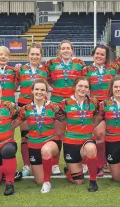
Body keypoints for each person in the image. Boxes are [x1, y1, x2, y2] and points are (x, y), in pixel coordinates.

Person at [11, 78, 64, 193]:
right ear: (32, 91)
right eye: (37, 89)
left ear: (46, 92)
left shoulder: (54, 107)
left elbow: (67, 120)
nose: (39, 92)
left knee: (46, 150)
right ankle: (45, 179)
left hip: (51, 142)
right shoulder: (25, 109)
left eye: (42, 90)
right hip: (34, 145)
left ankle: (47, 183)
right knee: (39, 180)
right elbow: (14, 124)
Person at [44, 40, 86, 174]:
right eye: (63, 48)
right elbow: (45, 77)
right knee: (59, 133)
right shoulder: (51, 63)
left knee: (78, 130)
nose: (66, 50)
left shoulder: (79, 63)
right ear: (59, 50)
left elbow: (83, 81)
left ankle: (81, 162)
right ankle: (55, 165)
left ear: (72, 50)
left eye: (68, 48)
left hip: (74, 101)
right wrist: (51, 88)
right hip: (57, 101)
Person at [59, 77, 101, 192]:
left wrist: (91, 127)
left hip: (86, 140)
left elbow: (99, 115)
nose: (83, 89)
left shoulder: (94, 102)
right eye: (80, 86)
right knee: (78, 181)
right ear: (74, 87)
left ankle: (93, 181)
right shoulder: (65, 103)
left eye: (86, 87)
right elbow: (61, 121)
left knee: (91, 148)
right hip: (70, 142)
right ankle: (69, 171)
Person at [15, 43, 50, 177]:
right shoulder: (20, 69)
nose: (34, 56)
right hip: (24, 106)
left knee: (42, 133)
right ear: (28, 55)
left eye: (37, 54)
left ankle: (43, 160)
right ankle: (26, 165)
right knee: (25, 136)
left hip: (41, 107)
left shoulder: (46, 70)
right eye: (32, 54)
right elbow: (14, 86)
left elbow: (51, 85)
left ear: (41, 56)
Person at [82, 45, 117, 176]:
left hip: (110, 107)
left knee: (109, 134)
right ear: (93, 54)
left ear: (106, 57)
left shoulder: (113, 70)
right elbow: (82, 88)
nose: (99, 56)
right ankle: (97, 163)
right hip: (94, 107)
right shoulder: (87, 70)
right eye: (97, 53)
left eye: (102, 54)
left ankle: (106, 162)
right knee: (98, 134)